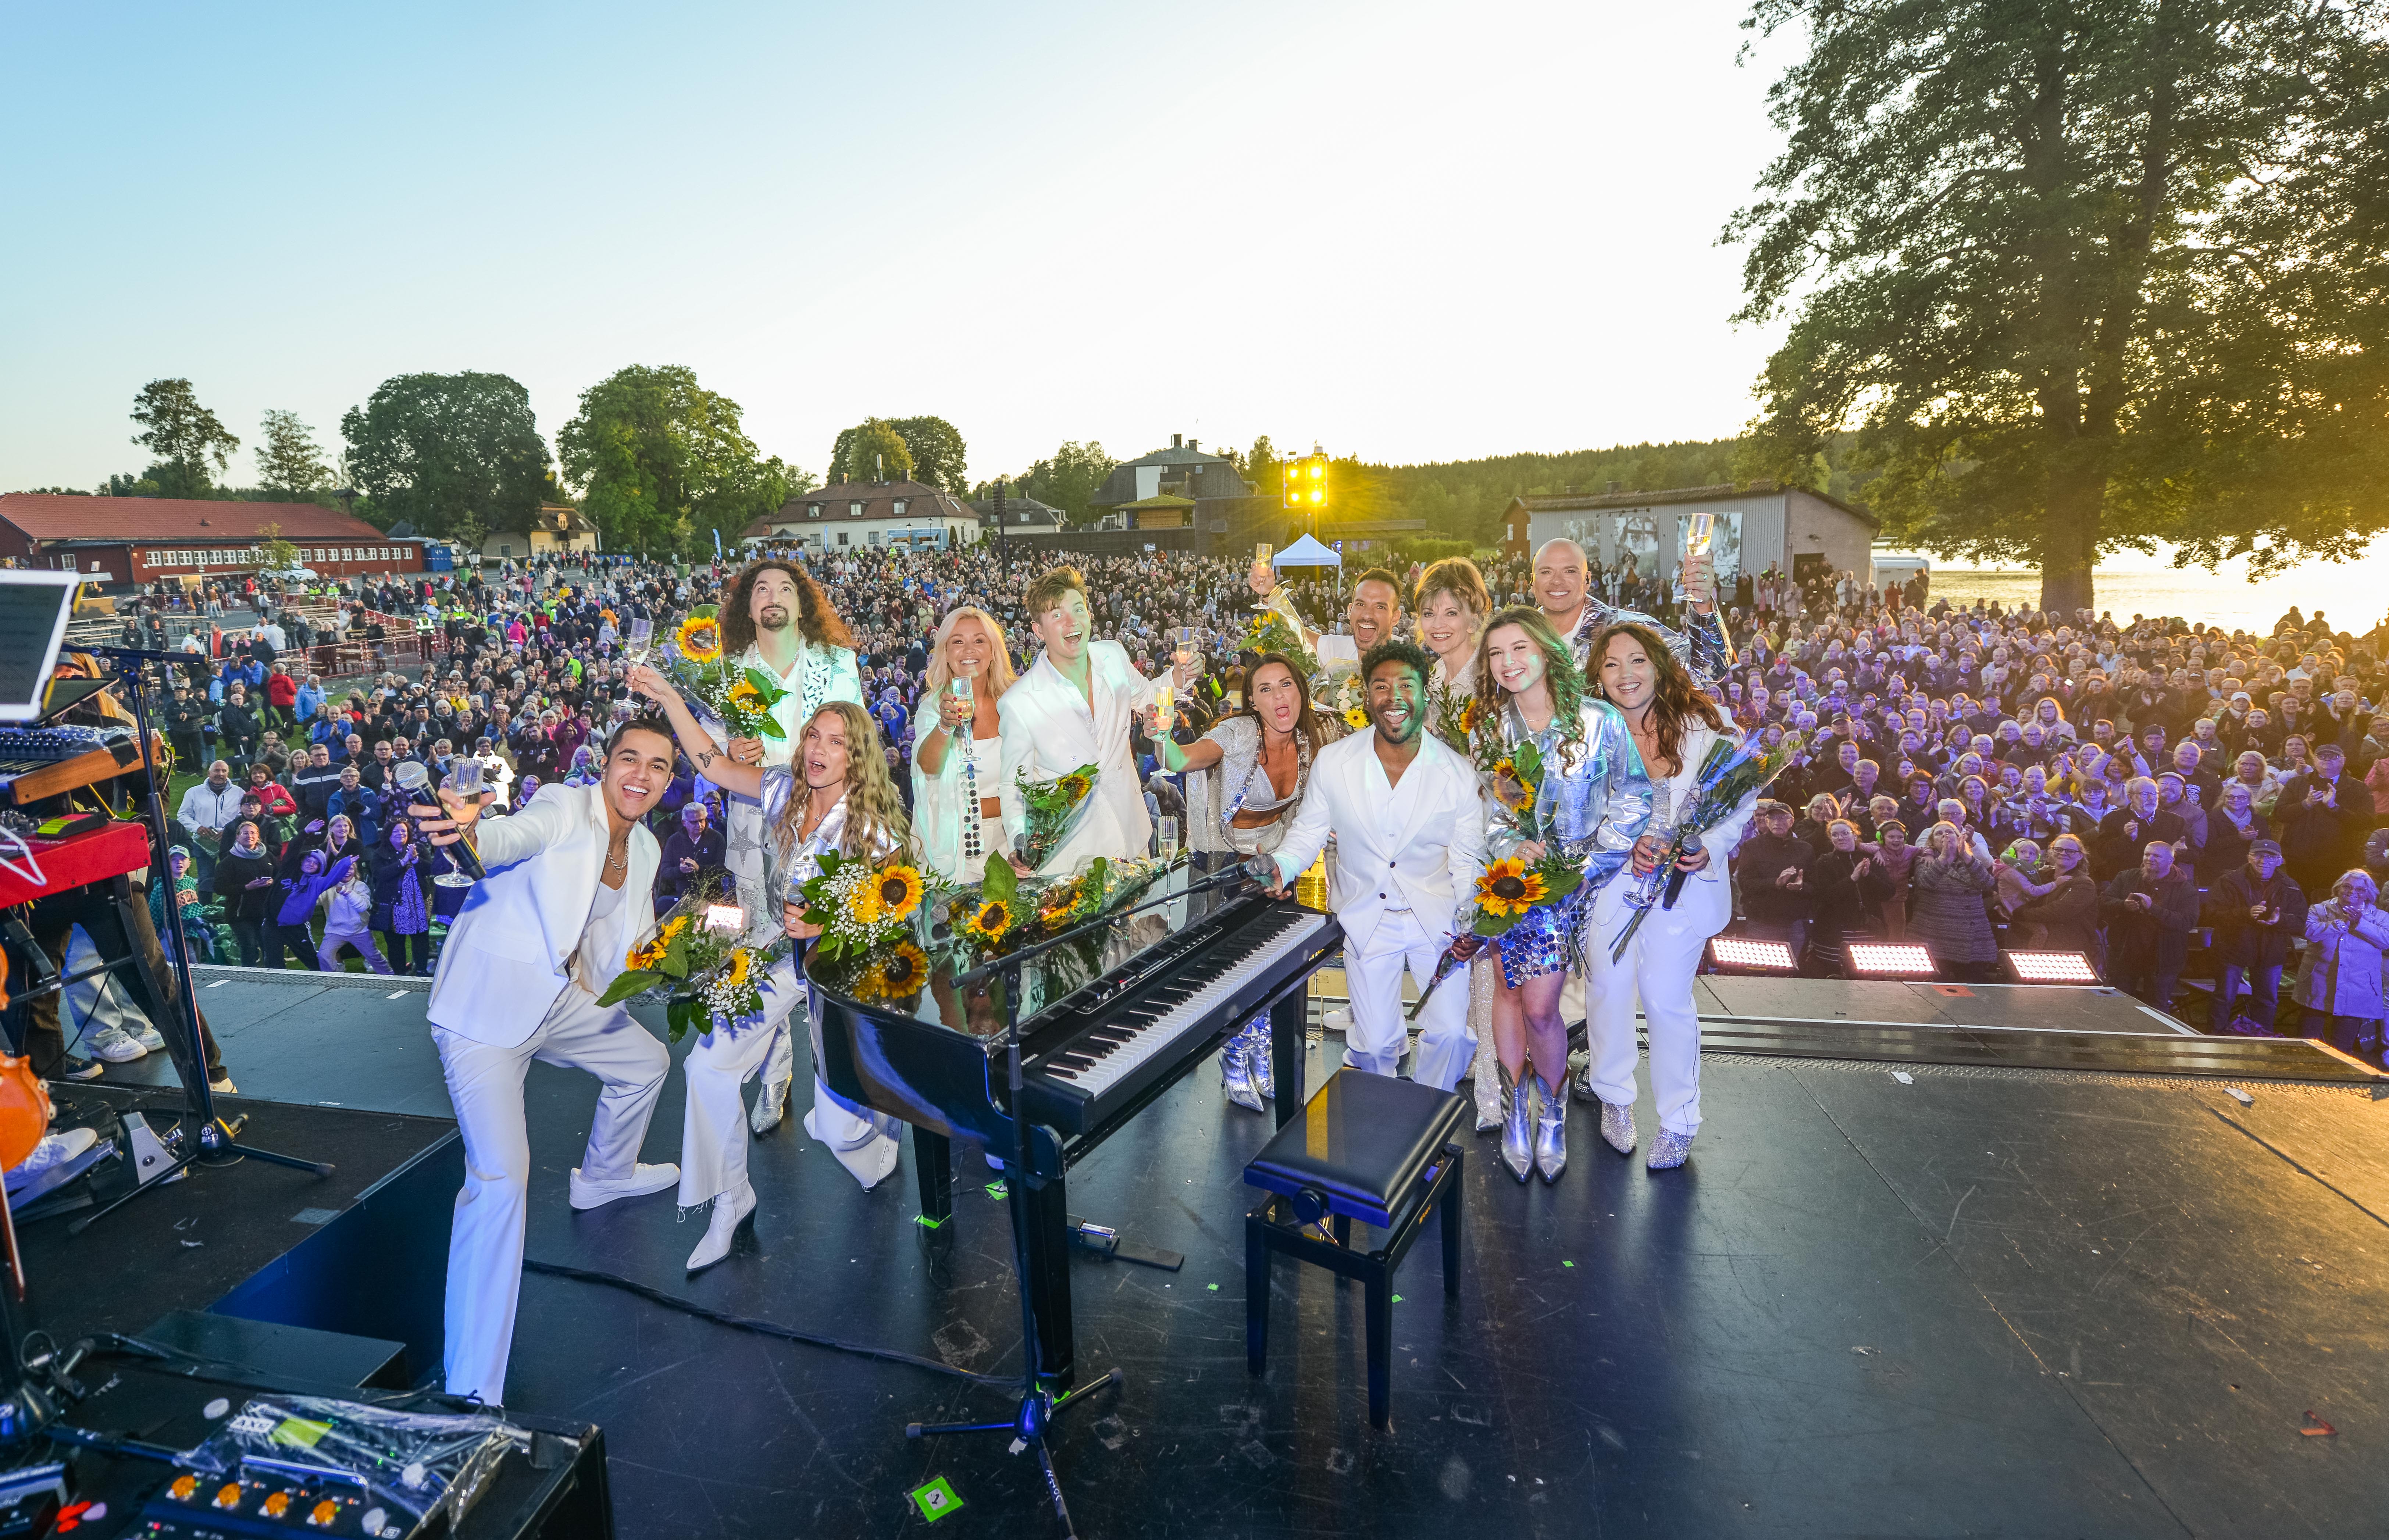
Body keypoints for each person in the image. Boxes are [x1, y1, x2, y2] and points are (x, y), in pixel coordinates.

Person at [408, 714, 682, 1407]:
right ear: (605, 763)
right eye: (630, 759)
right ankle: (472, 1389)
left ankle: (605, 1177)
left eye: (657, 765)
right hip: (485, 1014)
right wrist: (470, 832)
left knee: (646, 1062)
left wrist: (687, 961)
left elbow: (623, 949)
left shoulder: (645, 846)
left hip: (559, 999)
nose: (641, 775)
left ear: (668, 781)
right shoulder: (563, 805)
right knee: (501, 1180)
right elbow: (507, 838)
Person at [631, 667, 914, 1256]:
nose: (818, 749)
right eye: (813, 735)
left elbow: (894, 920)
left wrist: (828, 924)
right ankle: (730, 1199)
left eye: (836, 742)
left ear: (857, 758)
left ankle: (877, 1138)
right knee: (706, 1068)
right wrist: (670, 697)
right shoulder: (784, 790)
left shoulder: (873, 830)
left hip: (846, 972)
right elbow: (712, 765)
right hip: (782, 957)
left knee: (837, 1129)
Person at [1264, 639, 1487, 1102]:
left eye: (1406, 685)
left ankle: (1426, 1111)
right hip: (1367, 916)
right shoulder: (1334, 762)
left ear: (1424, 694)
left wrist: (1472, 923)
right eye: (1381, 686)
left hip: (1437, 921)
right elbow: (1307, 832)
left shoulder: (1456, 774)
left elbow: (1467, 861)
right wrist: (1281, 868)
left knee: (1450, 1035)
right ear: (1366, 697)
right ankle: (1381, 1115)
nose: (1393, 697)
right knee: (1376, 1045)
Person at [1472, 610, 1651, 1181]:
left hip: (1578, 884)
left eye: (1519, 648)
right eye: (1496, 653)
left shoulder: (1598, 721)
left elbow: (1632, 797)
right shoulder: (1494, 732)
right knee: (1507, 990)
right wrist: (1512, 845)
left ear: (1547, 651)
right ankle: (1514, 1116)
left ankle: (1552, 1114)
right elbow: (1498, 812)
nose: (1508, 663)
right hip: (1513, 881)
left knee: (1542, 1009)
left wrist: (1590, 867)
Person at [1578, 620, 1749, 1172]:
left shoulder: (1707, 724)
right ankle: (1613, 1097)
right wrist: (1621, 846)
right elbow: (1572, 809)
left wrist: (1707, 846)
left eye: (1636, 660)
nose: (1624, 674)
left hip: (1682, 885)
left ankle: (1678, 1120)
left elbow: (1739, 799)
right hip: (1613, 880)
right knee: (1607, 989)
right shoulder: (1585, 730)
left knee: (1664, 997)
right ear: (1597, 676)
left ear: (1659, 665)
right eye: (1610, 664)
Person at [707, 559, 865, 1136]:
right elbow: (709, 758)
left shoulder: (837, 663)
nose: (772, 596)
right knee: (757, 950)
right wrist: (730, 746)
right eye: (761, 589)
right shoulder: (726, 671)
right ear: (747, 607)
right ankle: (775, 1076)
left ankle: (846, 1084)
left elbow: (860, 741)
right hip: (754, 827)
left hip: (825, 828)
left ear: (803, 604)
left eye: (784, 588)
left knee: (833, 949)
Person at [1156, 653, 1342, 1110]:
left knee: (1270, 965)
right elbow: (1180, 759)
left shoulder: (1312, 739)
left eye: (1286, 685)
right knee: (1231, 970)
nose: (1279, 697)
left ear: (1300, 690)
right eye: (1265, 689)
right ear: (1252, 702)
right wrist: (1161, 735)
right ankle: (1234, 1055)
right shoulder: (1238, 733)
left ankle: (1261, 1048)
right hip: (1223, 864)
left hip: (1275, 861)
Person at [1411, 559, 1511, 1134]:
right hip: (1442, 837)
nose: (1439, 623)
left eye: (1452, 611)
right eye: (1429, 613)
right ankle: (1476, 1061)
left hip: (1487, 836)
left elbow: (1506, 769)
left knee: (1485, 962)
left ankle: (1494, 1092)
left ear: (1478, 613)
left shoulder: (1491, 678)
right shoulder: (1433, 680)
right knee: (1461, 955)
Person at [998, 567, 1175, 874]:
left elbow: (1149, 695)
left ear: (1090, 615)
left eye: (1078, 609)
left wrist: (1180, 675)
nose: (1072, 622)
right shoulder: (1019, 702)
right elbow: (1013, 784)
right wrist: (1021, 840)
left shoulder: (1113, 656)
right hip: (1072, 858)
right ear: (1038, 630)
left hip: (1133, 836)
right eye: (1057, 615)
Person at [911, 606, 1018, 887]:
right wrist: (946, 725)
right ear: (946, 654)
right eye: (958, 642)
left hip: (1014, 844)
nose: (969, 650)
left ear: (993, 651)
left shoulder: (1017, 701)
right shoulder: (933, 707)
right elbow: (928, 766)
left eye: (979, 641)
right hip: (955, 847)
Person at [2204, 838, 2308, 1033]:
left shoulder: (2291, 886)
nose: (2263, 861)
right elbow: (2211, 914)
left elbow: (2300, 921)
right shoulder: (2228, 881)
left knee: (2267, 1001)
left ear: (2280, 861)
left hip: (2271, 952)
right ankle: (2214, 1039)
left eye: (2270, 857)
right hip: (2233, 949)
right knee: (2224, 998)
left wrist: (2280, 920)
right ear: (2249, 858)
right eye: (2258, 855)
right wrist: (2246, 914)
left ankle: (2261, 1042)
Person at [2293, 869, 2389, 1063]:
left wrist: (2359, 923)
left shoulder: (2380, 917)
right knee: (2306, 1045)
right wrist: (2342, 923)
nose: (2353, 892)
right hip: (2318, 985)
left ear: (2369, 894)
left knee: (2342, 1051)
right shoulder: (2319, 910)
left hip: (2356, 989)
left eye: (2360, 890)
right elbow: (2309, 931)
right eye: (2348, 887)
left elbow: (2386, 941)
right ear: (2338, 889)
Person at [2101, 841, 2200, 1010]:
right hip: (2125, 955)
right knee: (2118, 1007)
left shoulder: (2185, 889)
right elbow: (2103, 902)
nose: (2150, 859)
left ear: (2171, 861)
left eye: (2157, 856)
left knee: (2156, 1009)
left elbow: (2187, 922)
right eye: (2147, 854)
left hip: (2163, 960)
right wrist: (2123, 905)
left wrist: (2153, 909)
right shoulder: (2126, 877)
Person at [211, 819, 277, 966]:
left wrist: (273, 882)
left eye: (253, 833)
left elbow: (280, 876)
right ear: (237, 837)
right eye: (245, 833)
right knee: (249, 946)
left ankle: (272, 974)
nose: (250, 836)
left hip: (265, 911)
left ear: (258, 836)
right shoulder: (228, 862)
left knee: (268, 945)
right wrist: (246, 887)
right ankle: (249, 976)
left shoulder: (268, 857)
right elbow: (219, 888)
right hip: (240, 913)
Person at [655, 801, 725, 916]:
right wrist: (680, 870)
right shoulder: (674, 841)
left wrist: (699, 869)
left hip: (712, 899)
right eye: (694, 822)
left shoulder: (717, 838)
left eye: (702, 820)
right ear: (684, 823)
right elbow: (665, 871)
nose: (700, 825)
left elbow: (723, 869)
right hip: (684, 900)